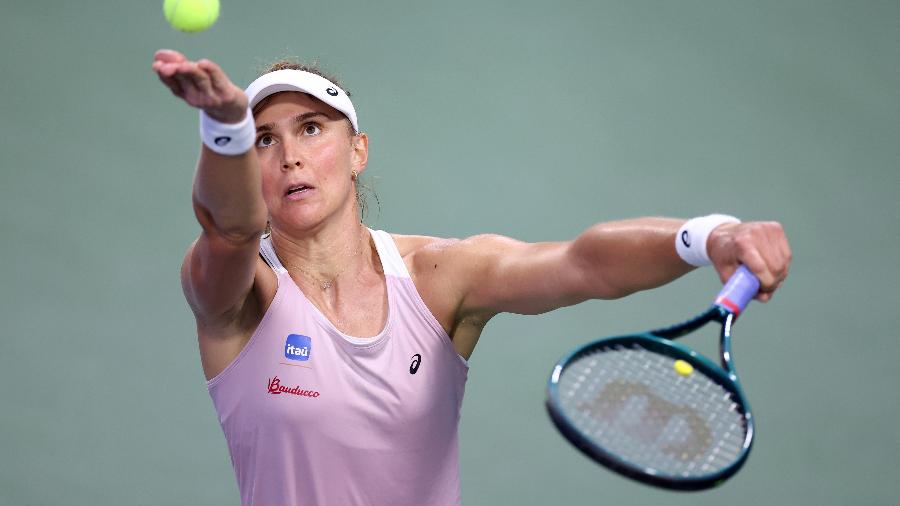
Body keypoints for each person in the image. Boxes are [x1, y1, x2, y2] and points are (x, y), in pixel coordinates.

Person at [152, 48, 791, 506]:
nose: (289, 154)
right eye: (264, 140)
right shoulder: (240, 298)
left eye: (312, 129)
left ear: (357, 151)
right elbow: (230, 231)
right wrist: (224, 131)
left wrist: (711, 236)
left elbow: (583, 263)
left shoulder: (438, 278)